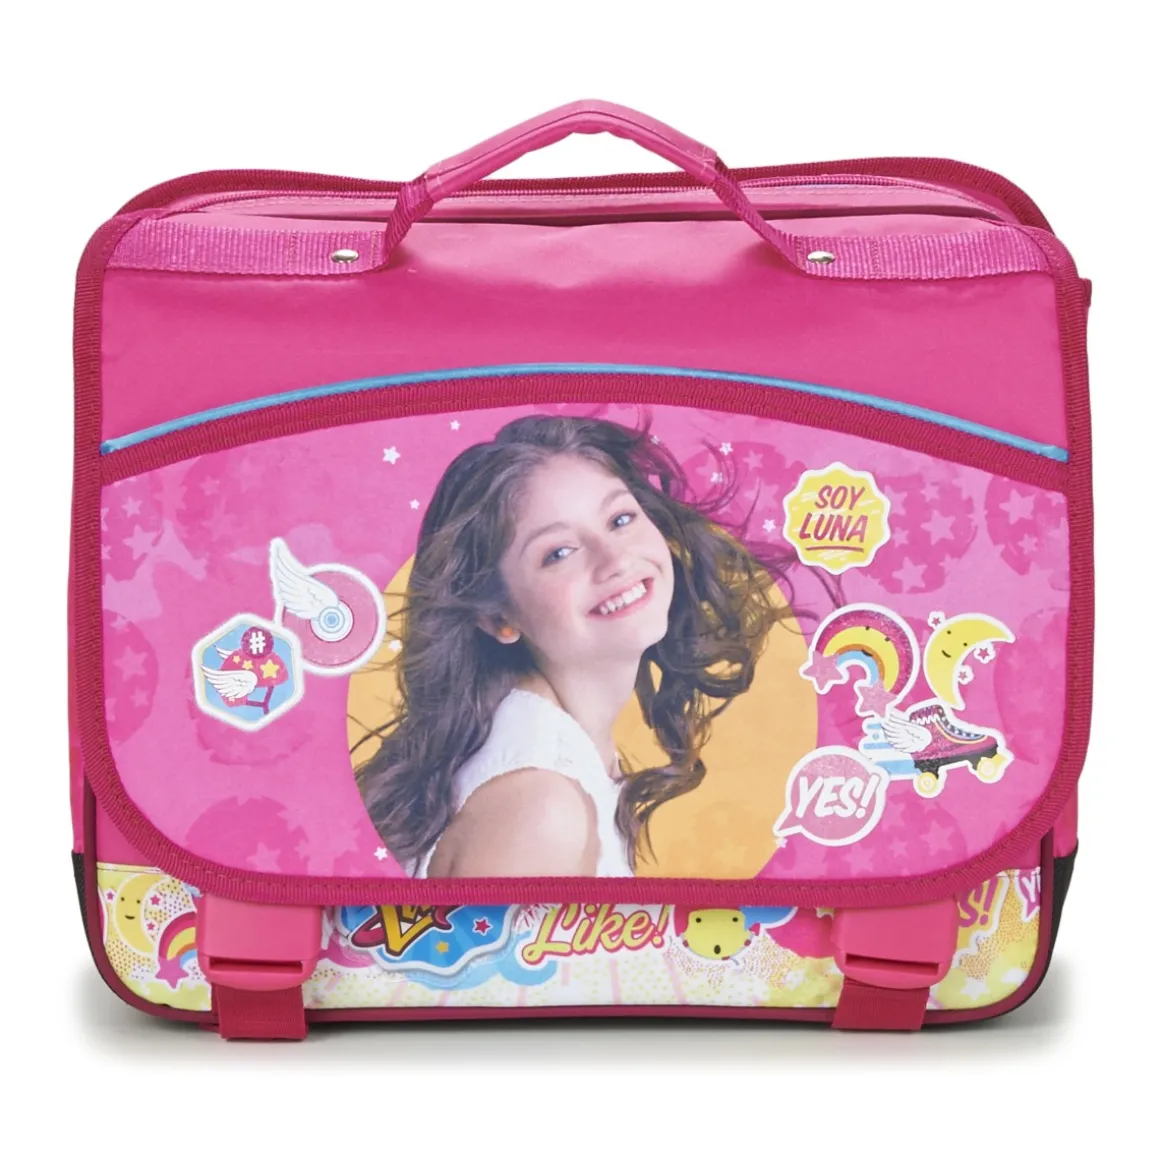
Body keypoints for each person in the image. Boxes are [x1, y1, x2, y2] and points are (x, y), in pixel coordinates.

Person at [353, 414, 794, 877]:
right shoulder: (542, 807)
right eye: (559, 553)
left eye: (620, 519)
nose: (615, 559)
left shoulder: (552, 749)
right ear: (498, 617)